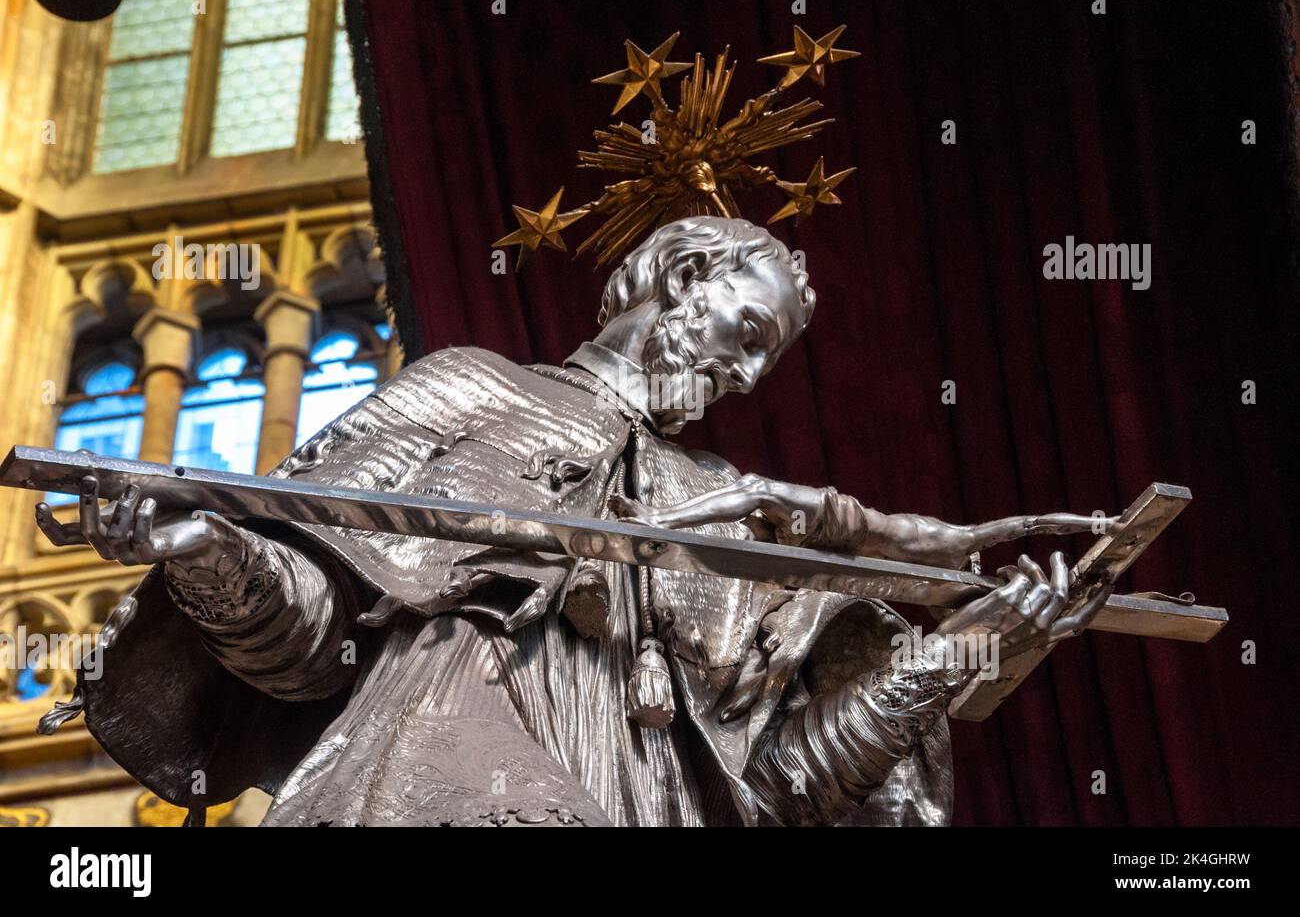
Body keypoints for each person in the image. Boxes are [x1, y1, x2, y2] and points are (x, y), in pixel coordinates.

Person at [34, 216, 1114, 826]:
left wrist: (964, 650)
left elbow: (790, 783)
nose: (739, 373)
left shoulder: (728, 518)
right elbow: (314, 643)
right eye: (742, 330)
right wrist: (210, 553)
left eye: (762, 359)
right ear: (681, 275)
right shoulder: (470, 391)